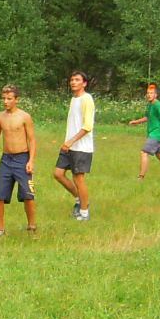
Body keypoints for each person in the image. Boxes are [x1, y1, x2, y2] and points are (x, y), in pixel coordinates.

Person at [0, 84, 37, 236]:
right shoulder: (0, 117)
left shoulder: (24, 117)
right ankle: (0, 228)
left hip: (22, 158)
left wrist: (31, 161)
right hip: (6, 160)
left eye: (9, 99)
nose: (5, 102)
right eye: (4, 98)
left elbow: (32, 139)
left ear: (16, 99)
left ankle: (31, 226)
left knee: (28, 195)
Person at [52, 71, 95, 221]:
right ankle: (79, 199)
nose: (73, 82)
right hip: (69, 146)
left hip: (81, 147)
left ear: (84, 83)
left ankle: (84, 212)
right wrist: (68, 142)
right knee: (58, 174)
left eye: (77, 80)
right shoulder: (74, 99)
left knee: (78, 179)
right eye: (72, 80)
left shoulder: (87, 99)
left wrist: (71, 141)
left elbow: (87, 126)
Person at [126, 81, 160, 179]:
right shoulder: (150, 105)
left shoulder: (157, 105)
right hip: (154, 134)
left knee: (144, 152)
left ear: (156, 95)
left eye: (151, 93)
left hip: (156, 134)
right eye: (148, 93)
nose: (149, 95)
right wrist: (136, 122)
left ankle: (141, 177)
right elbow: (147, 117)